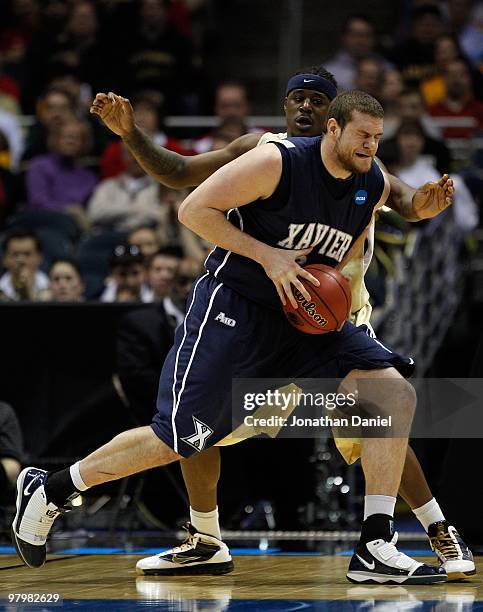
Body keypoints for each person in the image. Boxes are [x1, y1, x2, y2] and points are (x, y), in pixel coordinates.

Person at [12, 90, 462, 585]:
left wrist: (420, 210)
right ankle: (53, 487)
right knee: (181, 439)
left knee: (391, 391)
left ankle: (377, 542)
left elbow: (370, 233)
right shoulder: (273, 159)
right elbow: (193, 208)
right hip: (238, 310)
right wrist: (267, 256)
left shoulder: (369, 182)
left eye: (378, 139)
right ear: (333, 129)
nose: (371, 147)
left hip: (305, 318)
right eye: (362, 136)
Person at [0, 229, 49, 301]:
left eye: (27, 254)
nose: (21, 260)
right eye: (15, 254)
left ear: (39, 257)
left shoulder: (52, 287)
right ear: (5, 259)